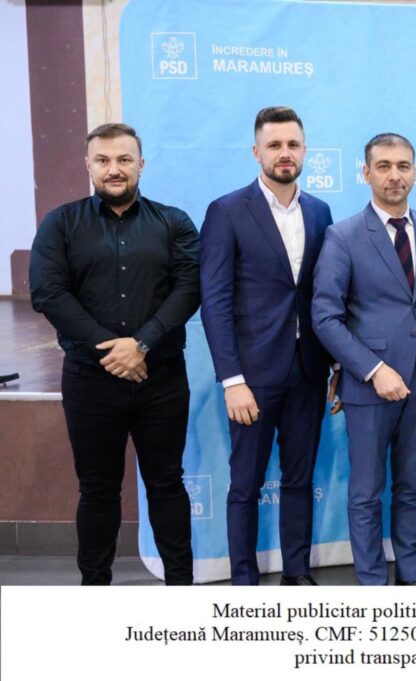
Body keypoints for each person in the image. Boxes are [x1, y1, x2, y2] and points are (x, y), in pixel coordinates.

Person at [30, 123, 198, 585]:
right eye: (103, 160)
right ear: (88, 165)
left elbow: (189, 289)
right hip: (90, 381)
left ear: (141, 164)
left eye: (124, 159)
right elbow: (48, 292)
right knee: (97, 491)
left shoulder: (174, 222)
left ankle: (182, 588)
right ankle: (96, 591)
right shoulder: (60, 223)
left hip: (161, 379)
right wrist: (113, 350)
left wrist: (140, 344)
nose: (114, 169)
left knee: (167, 484)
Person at [199, 107, 334, 586]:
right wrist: (231, 380)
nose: (284, 153)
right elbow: (214, 302)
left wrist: (335, 365)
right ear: (257, 152)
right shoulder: (227, 211)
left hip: (308, 370)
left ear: (305, 151)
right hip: (251, 377)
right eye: (274, 145)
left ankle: (297, 575)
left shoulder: (319, 212)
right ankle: (244, 582)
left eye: (292, 145)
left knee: (300, 480)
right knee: (245, 484)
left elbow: (323, 295)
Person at [312, 133, 416, 586]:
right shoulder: (343, 235)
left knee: (413, 488)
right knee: (366, 493)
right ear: (366, 172)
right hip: (368, 384)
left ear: (415, 171)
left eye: (403, 166)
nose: (395, 175)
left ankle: (411, 577)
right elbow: (325, 316)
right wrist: (372, 369)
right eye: (385, 166)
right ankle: (372, 582)